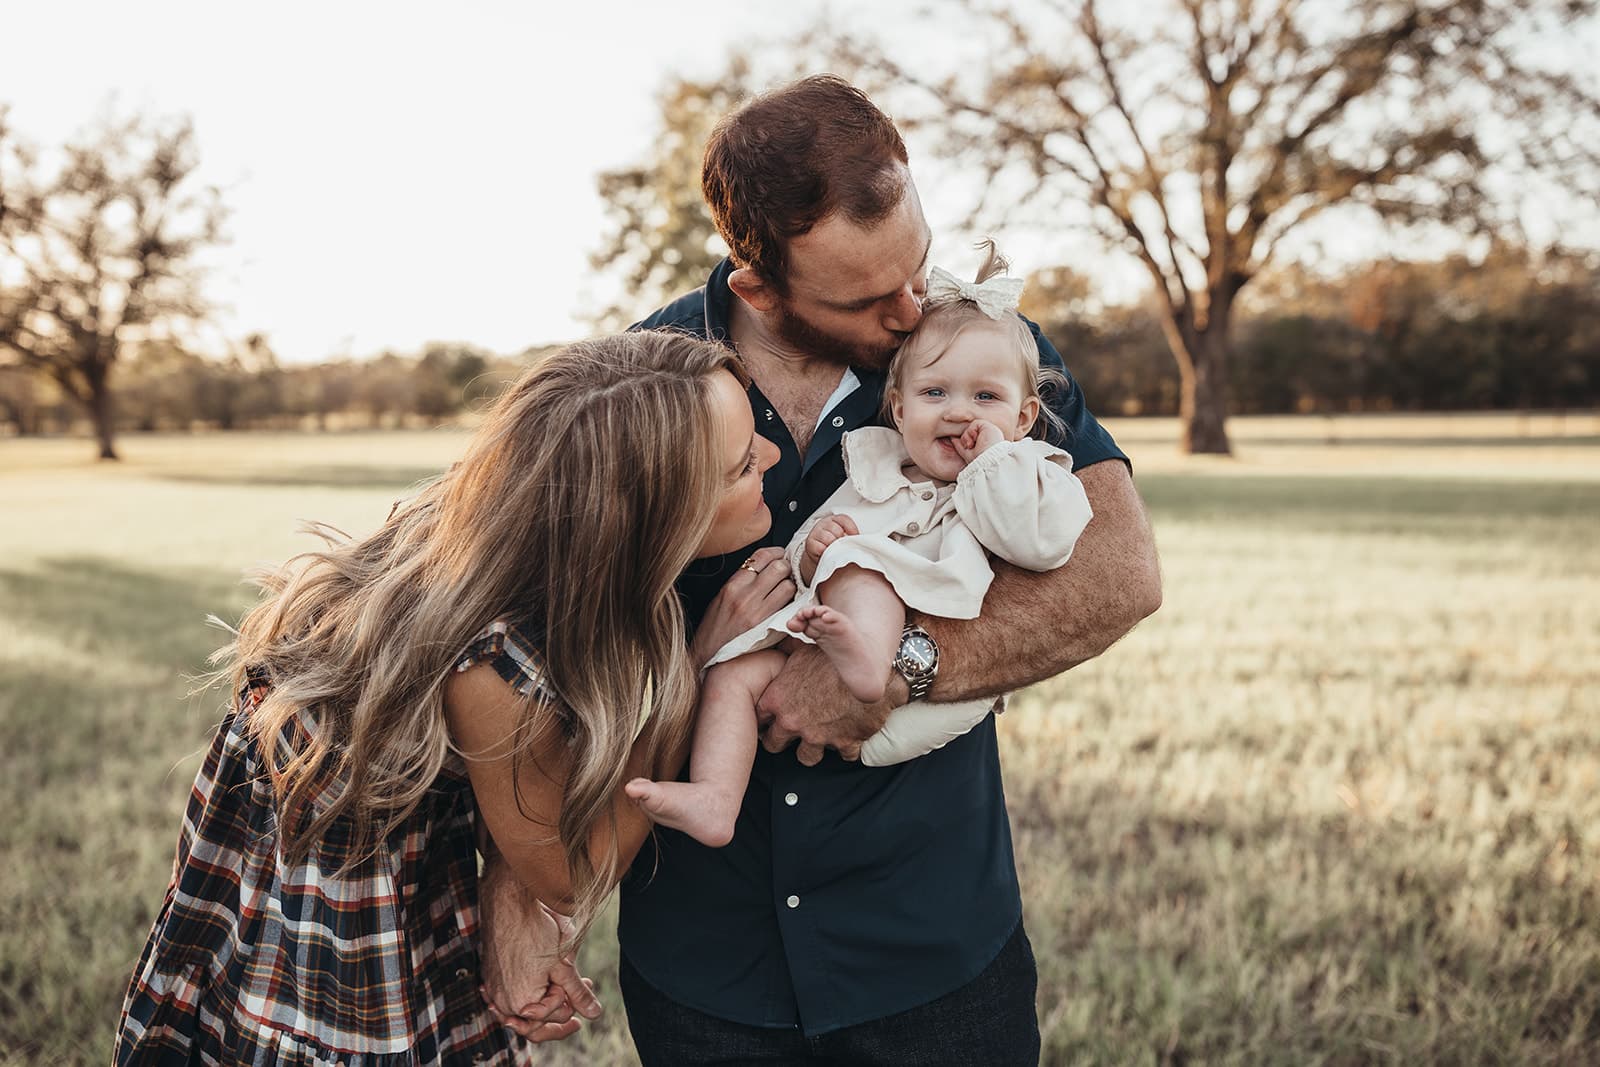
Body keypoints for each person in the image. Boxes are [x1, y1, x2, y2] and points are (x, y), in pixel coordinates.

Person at [488, 74, 1163, 1064]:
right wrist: (517, 895)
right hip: (708, 966)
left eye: (916, 265)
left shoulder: (978, 350)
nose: (912, 308)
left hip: (931, 948)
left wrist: (906, 666)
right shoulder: (638, 384)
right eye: (866, 297)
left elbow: (1120, 573)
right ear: (758, 288)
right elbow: (540, 648)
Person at [112, 331, 798, 1066]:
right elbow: (568, 871)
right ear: (656, 517)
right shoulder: (494, 655)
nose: (773, 454)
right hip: (348, 900)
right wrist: (698, 671)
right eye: (740, 464)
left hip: (407, 850)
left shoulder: (517, 521)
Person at [624, 244, 1095, 848]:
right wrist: (810, 553)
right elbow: (821, 534)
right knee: (733, 671)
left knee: (865, 568)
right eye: (934, 394)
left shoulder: (1033, 474)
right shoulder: (880, 467)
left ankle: (871, 662)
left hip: (919, 694)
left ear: (1025, 417)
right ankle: (716, 798)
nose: (959, 414)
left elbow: (1041, 545)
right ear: (898, 408)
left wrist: (991, 461)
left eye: (985, 398)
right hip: (826, 647)